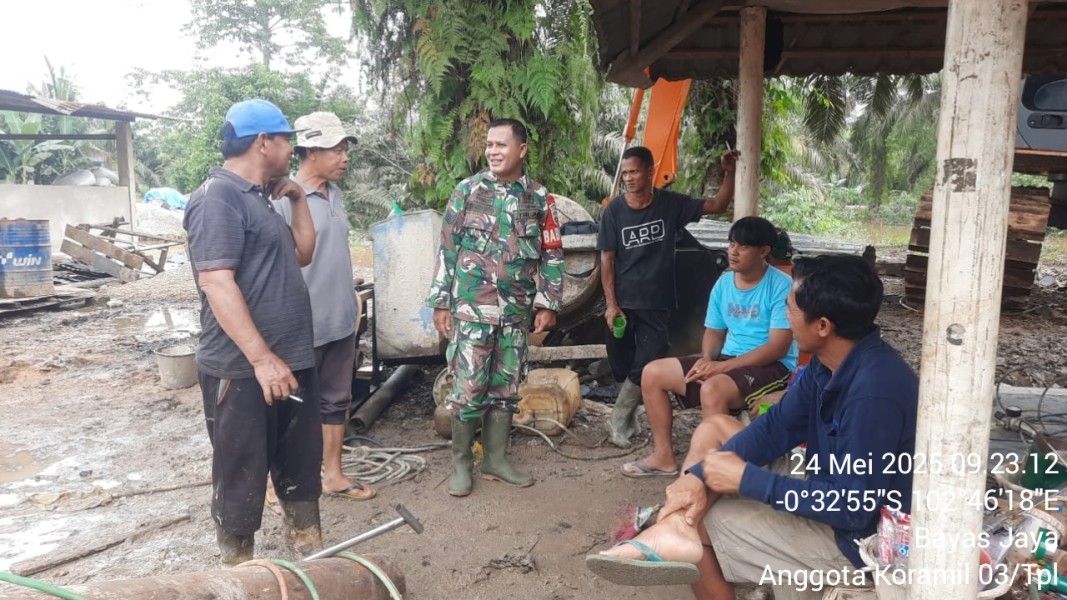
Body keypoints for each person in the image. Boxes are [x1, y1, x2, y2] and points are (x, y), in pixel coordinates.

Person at [587, 255, 919, 600]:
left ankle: (671, 530)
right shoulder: (830, 364)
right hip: (830, 487)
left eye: (790, 309)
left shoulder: (875, 392)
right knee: (712, 446)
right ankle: (670, 526)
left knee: (704, 523)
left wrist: (747, 479)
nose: (786, 319)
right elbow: (775, 428)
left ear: (823, 326)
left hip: (863, 541)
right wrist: (699, 476)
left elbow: (854, 508)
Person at [183, 99, 323, 566]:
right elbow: (216, 282)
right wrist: (262, 359)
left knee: (301, 466)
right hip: (244, 369)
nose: (292, 150)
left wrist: (298, 199)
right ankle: (239, 572)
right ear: (264, 142)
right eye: (287, 140)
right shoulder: (216, 198)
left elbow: (303, 254)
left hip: (292, 360)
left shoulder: (262, 198)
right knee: (241, 475)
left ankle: (308, 555)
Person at [426, 118, 564, 497]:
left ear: (521, 149)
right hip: (472, 310)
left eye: (501, 145)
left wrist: (548, 302)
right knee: (468, 389)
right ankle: (461, 464)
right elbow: (448, 250)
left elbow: (551, 252)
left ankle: (496, 459)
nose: (493, 151)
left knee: (506, 389)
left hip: (516, 313)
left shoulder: (539, 198)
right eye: (489, 145)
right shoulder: (467, 192)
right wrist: (441, 301)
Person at [622, 216, 796, 478]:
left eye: (743, 246)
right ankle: (664, 457)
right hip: (729, 359)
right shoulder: (724, 283)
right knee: (652, 372)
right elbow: (714, 330)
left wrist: (722, 367)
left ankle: (712, 473)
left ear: (764, 251)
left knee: (712, 388)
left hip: (772, 366)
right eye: (731, 243)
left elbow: (777, 348)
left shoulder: (781, 285)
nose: (733, 251)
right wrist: (706, 358)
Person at [600, 146, 738, 449]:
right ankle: (630, 417)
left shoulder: (671, 205)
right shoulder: (614, 211)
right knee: (622, 363)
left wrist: (729, 172)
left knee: (649, 358)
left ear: (651, 172)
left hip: (657, 300)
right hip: (623, 302)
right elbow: (607, 259)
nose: (628, 178)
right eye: (624, 173)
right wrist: (611, 304)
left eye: (634, 172)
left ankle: (619, 419)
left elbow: (717, 204)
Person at [271, 111, 375, 507]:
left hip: (340, 317)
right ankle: (274, 480)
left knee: (336, 399)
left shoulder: (335, 194)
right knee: (289, 405)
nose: (345, 156)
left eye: (346, 148)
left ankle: (332, 474)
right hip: (300, 322)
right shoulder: (282, 197)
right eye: (337, 149)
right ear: (310, 151)